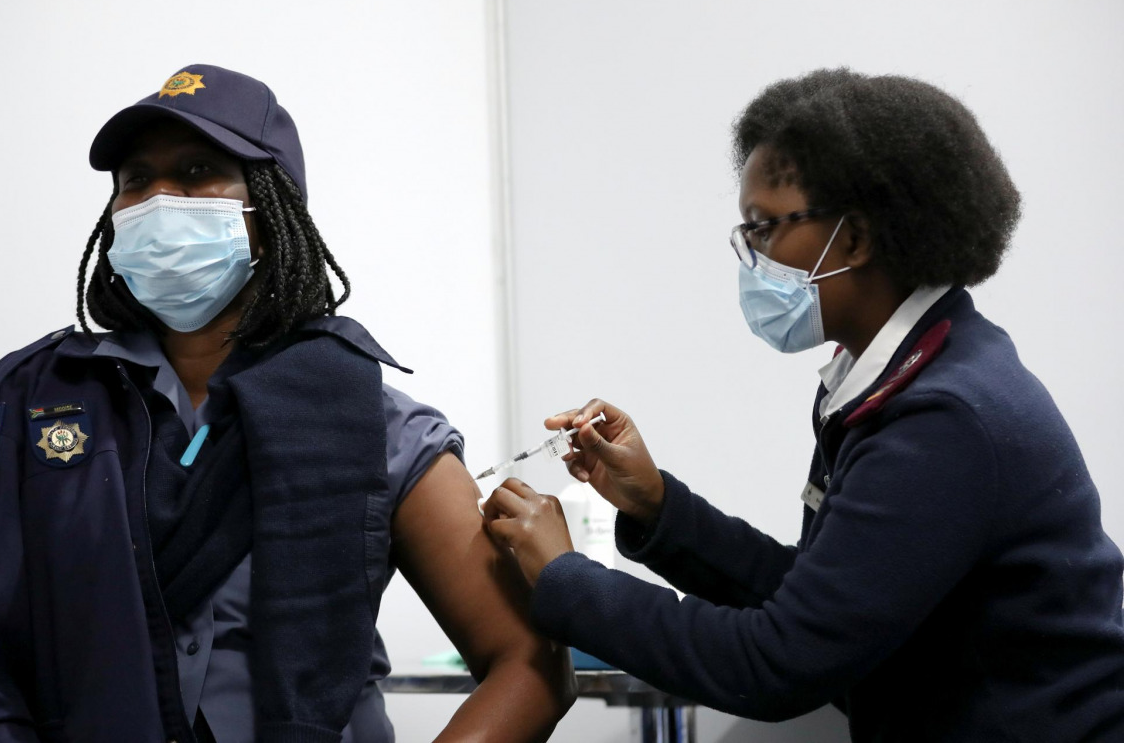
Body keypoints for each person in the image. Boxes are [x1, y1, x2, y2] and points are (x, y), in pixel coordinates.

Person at [0, 64, 574, 742]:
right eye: (136, 180)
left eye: (198, 170)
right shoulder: (25, 404)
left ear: (270, 208)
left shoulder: (376, 425)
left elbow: (528, 665)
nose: (159, 200)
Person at [481, 68, 1124, 741]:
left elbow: (776, 663)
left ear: (856, 238)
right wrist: (656, 506)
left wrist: (565, 578)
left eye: (764, 227)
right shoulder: (896, 378)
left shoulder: (944, 419)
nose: (749, 255)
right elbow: (821, 598)